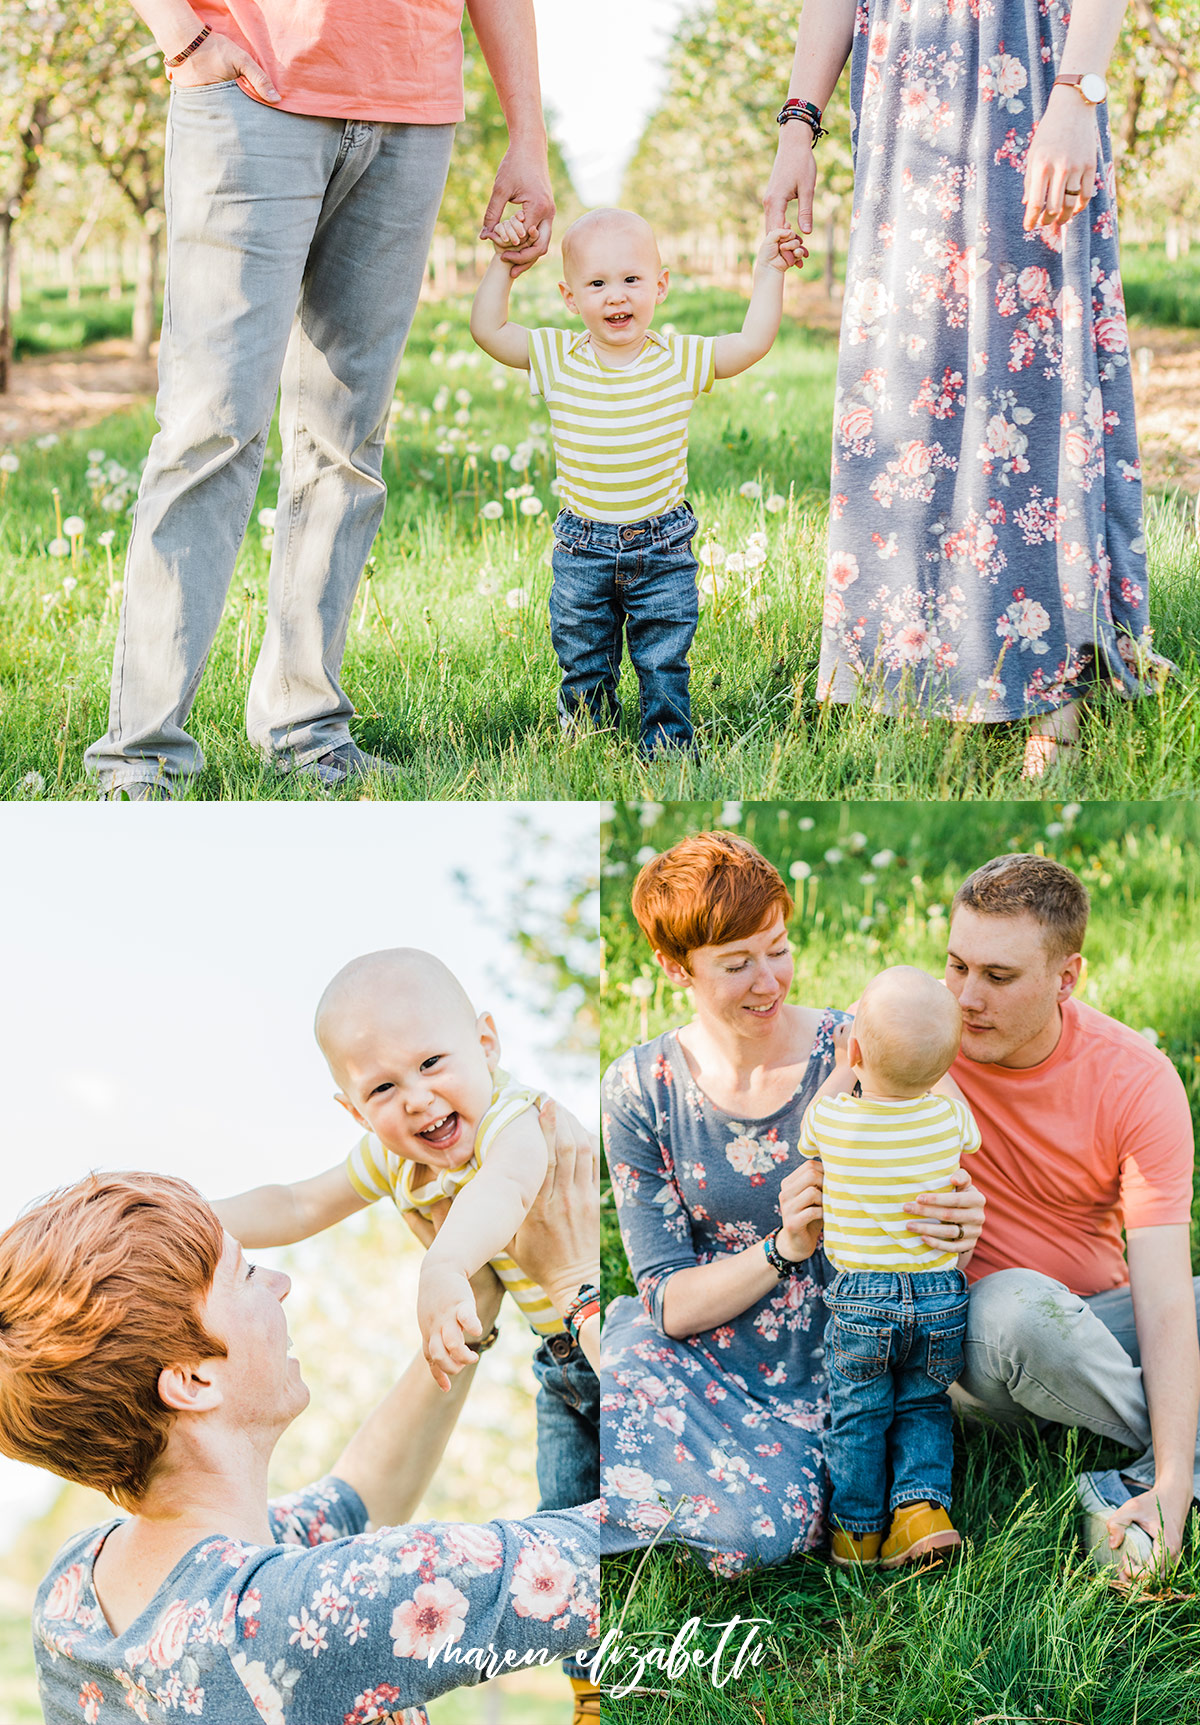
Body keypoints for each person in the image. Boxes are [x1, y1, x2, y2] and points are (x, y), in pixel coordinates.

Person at [85, 0, 554, 799]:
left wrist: (529, 137)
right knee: (212, 427)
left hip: (413, 108)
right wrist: (183, 35)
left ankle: (306, 732)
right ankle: (142, 754)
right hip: (249, 90)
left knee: (347, 438)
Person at [0, 1129, 605, 1725]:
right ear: (192, 1380)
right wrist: (576, 1285)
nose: (281, 1285)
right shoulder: (285, 1618)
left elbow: (359, 1496)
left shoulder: (72, 1591)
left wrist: (474, 1299)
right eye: (246, 1275)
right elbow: (661, 1527)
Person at [763, 0, 1164, 777]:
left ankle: (1054, 688)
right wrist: (796, 126)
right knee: (908, 379)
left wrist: (1078, 91)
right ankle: (913, 672)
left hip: (1030, 65)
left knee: (1034, 364)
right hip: (907, 81)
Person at [212, 949, 601, 1706]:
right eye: (384, 1087)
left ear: (486, 1044)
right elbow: (295, 1204)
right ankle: (593, 1689)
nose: (419, 1099)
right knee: (566, 1519)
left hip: (614, 1325)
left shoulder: (516, 1117)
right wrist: (195, 1212)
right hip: (558, 1367)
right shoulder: (391, 1162)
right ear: (354, 1111)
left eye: (432, 1062)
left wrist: (444, 1265)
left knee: (637, 1509)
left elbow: (509, 1185)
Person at [600, 832, 985, 1572]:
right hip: (708, 1346)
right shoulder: (641, 1086)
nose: (768, 981)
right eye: (737, 963)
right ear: (675, 968)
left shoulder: (863, 1045)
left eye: (777, 946)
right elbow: (670, 1301)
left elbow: (947, 1187)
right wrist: (783, 1247)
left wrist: (961, 1223)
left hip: (847, 1354)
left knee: (767, 1535)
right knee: (633, 1375)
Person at [940, 853, 1200, 1581]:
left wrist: (1173, 1478)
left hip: (1103, 1325)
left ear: (1067, 977)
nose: (965, 997)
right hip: (979, 1342)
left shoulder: (1137, 1077)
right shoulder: (917, 1035)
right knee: (1018, 1307)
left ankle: (1159, 1479)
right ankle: (1175, 1447)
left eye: (998, 976)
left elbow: (1165, 1292)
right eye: (956, 965)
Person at [469, 208, 804, 756]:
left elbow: (750, 343)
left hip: (662, 543)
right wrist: (503, 267)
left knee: (664, 654)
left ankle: (667, 743)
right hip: (583, 544)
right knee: (582, 651)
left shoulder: (680, 358)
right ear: (571, 298)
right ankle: (588, 736)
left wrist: (769, 272)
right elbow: (488, 330)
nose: (616, 296)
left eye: (631, 280)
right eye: (597, 284)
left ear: (661, 286)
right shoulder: (556, 356)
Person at [799, 966, 980, 1569]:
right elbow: (963, 1122)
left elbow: (806, 1133)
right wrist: (933, 1060)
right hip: (939, 1293)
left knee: (859, 1409)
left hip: (862, 1300)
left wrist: (844, 1065)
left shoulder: (835, 1122)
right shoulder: (947, 1119)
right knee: (924, 1402)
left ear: (854, 1052)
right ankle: (921, 1511)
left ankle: (856, 1533)